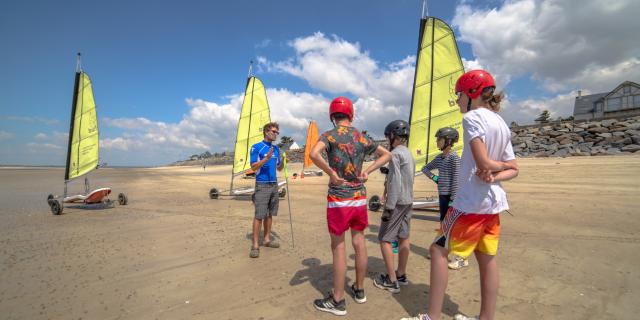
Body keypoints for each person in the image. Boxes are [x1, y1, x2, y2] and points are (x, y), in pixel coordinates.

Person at [402, 70, 519, 320]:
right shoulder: (501, 122)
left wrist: (489, 169)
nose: (456, 101)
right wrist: (495, 175)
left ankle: (431, 317)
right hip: (493, 204)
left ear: (472, 93)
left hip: (470, 204)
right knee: (487, 259)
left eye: (458, 95)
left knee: (437, 250)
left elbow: (483, 161)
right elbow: (513, 169)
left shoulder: (473, 118)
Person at [310, 96, 391, 316]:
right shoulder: (361, 137)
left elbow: (313, 154)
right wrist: (367, 171)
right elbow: (386, 155)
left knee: (339, 247)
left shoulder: (329, 135)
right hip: (359, 198)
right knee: (359, 242)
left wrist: (331, 173)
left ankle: (337, 299)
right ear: (350, 115)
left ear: (332, 116)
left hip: (339, 198)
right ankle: (359, 289)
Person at [373, 120, 415, 294]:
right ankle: (401, 274)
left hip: (397, 202)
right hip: (408, 201)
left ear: (393, 136)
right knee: (404, 237)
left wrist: (389, 207)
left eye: (387, 136)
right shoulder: (409, 153)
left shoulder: (395, 154)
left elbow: (395, 182)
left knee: (384, 239)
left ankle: (391, 280)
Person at [421, 127, 467, 270]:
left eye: (439, 139)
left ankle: (462, 258)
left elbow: (456, 179)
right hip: (442, 196)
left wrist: (453, 199)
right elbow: (425, 168)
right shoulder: (440, 158)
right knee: (443, 224)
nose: (437, 142)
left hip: (452, 197)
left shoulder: (454, 158)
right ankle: (439, 249)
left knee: (454, 226)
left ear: (448, 141)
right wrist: (435, 178)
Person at [248, 122, 284, 258]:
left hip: (274, 184)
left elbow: (279, 168)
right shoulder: (256, 147)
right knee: (259, 215)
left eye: (277, 132)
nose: (276, 134)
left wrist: (283, 162)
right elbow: (253, 167)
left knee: (269, 214)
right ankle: (255, 245)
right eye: (274, 131)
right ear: (266, 132)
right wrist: (266, 158)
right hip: (262, 185)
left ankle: (267, 240)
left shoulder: (276, 149)